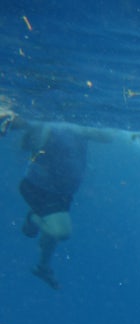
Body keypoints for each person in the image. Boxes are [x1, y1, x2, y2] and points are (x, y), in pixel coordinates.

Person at [1, 111, 111, 289]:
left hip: (62, 192)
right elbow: (25, 123)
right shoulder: (50, 123)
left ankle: (43, 267)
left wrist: (82, 129)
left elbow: (107, 137)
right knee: (61, 231)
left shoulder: (79, 125)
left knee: (52, 232)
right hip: (38, 187)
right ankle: (32, 218)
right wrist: (9, 119)